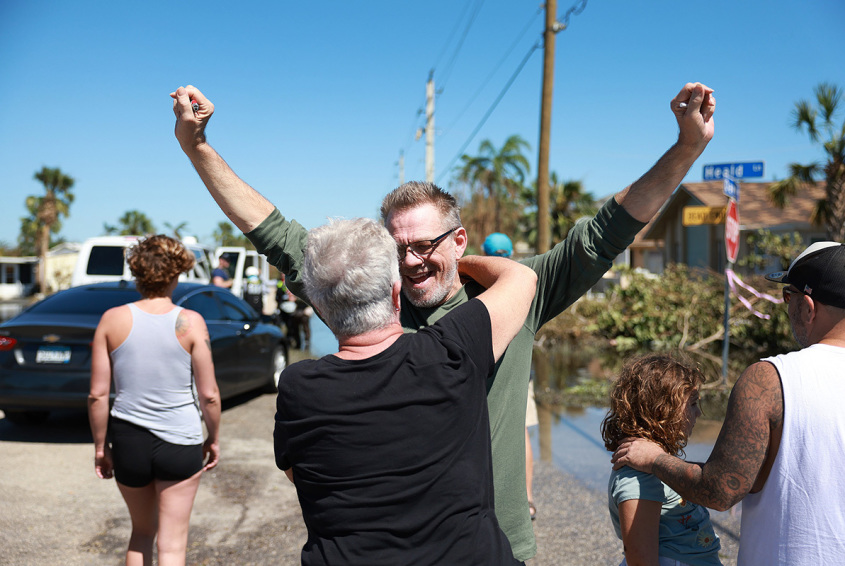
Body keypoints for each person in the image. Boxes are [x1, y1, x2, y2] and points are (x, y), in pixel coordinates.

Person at [171, 81, 715, 561]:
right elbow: (273, 232)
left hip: (494, 544)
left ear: (459, 240)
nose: (409, 260)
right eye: (397, 246)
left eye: (425, 244)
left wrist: (686, 148)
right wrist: (198, 149)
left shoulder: (509, 301)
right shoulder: (372, 307)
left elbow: (607, 231)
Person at [274, 217, 537, 565]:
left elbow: (300, 474)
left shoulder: (298, 387)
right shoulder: (451, 351)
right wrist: (459, 261)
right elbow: (522, 277)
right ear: (397, 294)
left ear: (321, 308)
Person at [612, 241, 845, 565]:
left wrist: (654, 459)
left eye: (788, 296)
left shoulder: (768, 381)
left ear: (808, 307)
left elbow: (722, 489)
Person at [88, 235, 221, 566]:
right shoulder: (191, 323)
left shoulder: (111, 320)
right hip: (180, 440)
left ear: (136, 273)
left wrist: (101, 448)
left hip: (129, 440)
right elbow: (209, 395)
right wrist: (214, 438)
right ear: (176, 275)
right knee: (173, 545)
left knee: (141, 534)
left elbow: (97, 395)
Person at [601, 354, 721, 566]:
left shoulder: (654, 463)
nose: (699, 413)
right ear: (662, 411)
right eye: (692, 404)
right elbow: (639, 559)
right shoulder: (639, 476)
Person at [482, 232, 538, 521]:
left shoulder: (482, 285)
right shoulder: (522, 280)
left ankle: (500, 498)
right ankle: (527, 497)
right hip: (521, 369)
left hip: (492, 372)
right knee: (522, 432)